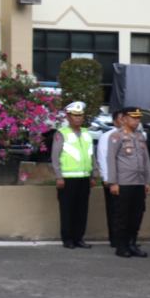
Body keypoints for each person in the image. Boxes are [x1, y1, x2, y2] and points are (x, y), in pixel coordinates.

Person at [51, 101, 98, 249]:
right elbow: (55, 156)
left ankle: (79, 238)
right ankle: (68, 239)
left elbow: (91, 155)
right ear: (68, 117)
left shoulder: (86, 133)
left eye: (80, 116)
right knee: (67, 210)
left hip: (84, 178)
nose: (78, 118)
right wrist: (59, 176)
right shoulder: (61, 133)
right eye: (75, 116)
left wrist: (94, 174)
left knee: (82, 210)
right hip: (68, 178)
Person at [106, 107, 150, 258]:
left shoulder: (140, 136)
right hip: (124, 182)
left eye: (138, 118)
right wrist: (113, 182)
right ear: (124, 119)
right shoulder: (116, 136)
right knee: (122, 215)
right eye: (133, 118)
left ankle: (132, 244)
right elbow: (111, 160)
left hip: (139, 182)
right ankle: (121, 246)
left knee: (137, 215)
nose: (136, 120)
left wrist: (147, 181)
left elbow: (146, 161)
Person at [96, 108, 123, 247]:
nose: (123, 121)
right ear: (114, 121)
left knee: (127, 210)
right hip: (112, 179)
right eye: (120, 118)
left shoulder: (134, 136)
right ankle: (115, 239)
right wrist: (106, 177)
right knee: (114, 210)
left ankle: (126, 239)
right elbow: (102, 157)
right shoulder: (107, 136)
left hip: (128, 180)